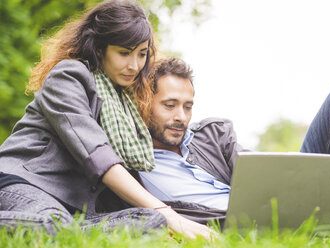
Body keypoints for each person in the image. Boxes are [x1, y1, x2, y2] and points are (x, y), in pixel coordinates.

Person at [0, 0, 212, 239]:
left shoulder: (126, 101)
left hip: (74, 208)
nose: (134, 65)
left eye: (142, 54)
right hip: (25, 184)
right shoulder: (68, 77)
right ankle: (59, 229)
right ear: (100, 49)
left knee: (150, 220)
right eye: (123, 53)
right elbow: (97, 154)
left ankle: (68, 230)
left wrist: (170, 214)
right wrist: (170, 214)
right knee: (52, 225)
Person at [138, 56, 330, 231]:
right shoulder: (130, 167)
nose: (181, 116)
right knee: (321, 207)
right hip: (245, 220)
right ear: (145, 103)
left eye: (187, 107)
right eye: (169, 105)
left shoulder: (211, 135)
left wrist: (293, 179)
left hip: (273, 198)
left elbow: (264, 171)